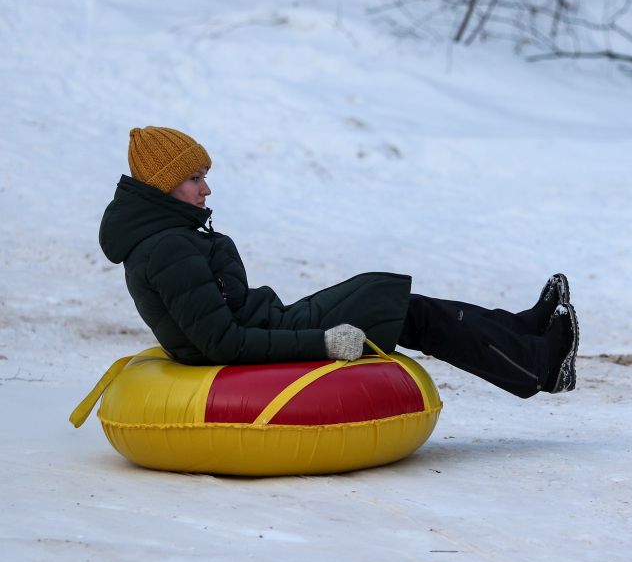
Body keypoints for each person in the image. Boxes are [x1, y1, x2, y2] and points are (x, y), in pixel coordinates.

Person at [98, 126, 579, 398]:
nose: (206, 189)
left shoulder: (169, 237)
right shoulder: (167, 249)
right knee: (402, 309)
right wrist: (323, 342)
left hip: (275, 322)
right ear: (164, 185)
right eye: (196, 179)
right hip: (272, 336)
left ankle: (523, 331)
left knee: (388, 294)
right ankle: (539, 363)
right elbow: (222, 342)